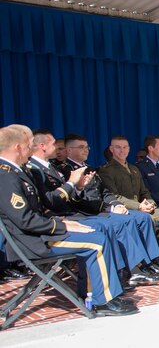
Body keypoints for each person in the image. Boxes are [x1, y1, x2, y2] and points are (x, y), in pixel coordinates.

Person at [0, 124, 137, 315]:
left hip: (40, 233)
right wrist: (61, 225)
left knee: (96, 233)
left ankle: (98, 293)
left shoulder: (17, 172)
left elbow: (39, 208)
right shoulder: (6, 175)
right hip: (33, 241)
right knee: (96, 242)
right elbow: (26, 220)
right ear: (17, 147)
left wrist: (64, 223)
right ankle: (103, 301)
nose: (31, 149)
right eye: (29, 144)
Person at [28, 130, 159, 286]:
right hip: (80, 213)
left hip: (88, 210)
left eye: (87, 147)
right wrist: (109, 208)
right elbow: (68, 201)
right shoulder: (62, 170)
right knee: (118, 223)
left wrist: (116, 204)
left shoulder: (82, 167)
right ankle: (129, 270)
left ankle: (146, 263)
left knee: (139, 218)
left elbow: (104, 191)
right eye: (81, 147)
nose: (86, 150)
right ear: (70, 150)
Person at [98, 136, 159, 269]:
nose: (122, 150)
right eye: (118, 147)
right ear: (111, 149)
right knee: (147, 219)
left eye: (125, 147)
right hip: (126, 209)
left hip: (143, 206)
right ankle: (151, 260)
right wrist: (139, 206)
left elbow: (144, 191)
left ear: (129, 149)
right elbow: (114, 196)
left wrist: (150, 203)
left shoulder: (133, 168)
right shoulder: (106, 170)